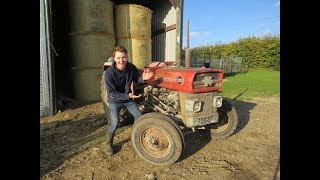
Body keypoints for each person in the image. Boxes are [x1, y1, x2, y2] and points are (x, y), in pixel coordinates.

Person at [103, 45, 154, 156]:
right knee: (115, 123)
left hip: (128, 98)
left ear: (127, 57)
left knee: (138, 115)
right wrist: (128, 96)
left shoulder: (131, 67)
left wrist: (143, 78)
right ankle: (108, 144)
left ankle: (136, 136)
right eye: (118, 58)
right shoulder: (109, 73)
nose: (121, 60)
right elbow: (112, 93)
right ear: (115, 59)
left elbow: (137, 79)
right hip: (114, 100)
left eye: (124, 57)